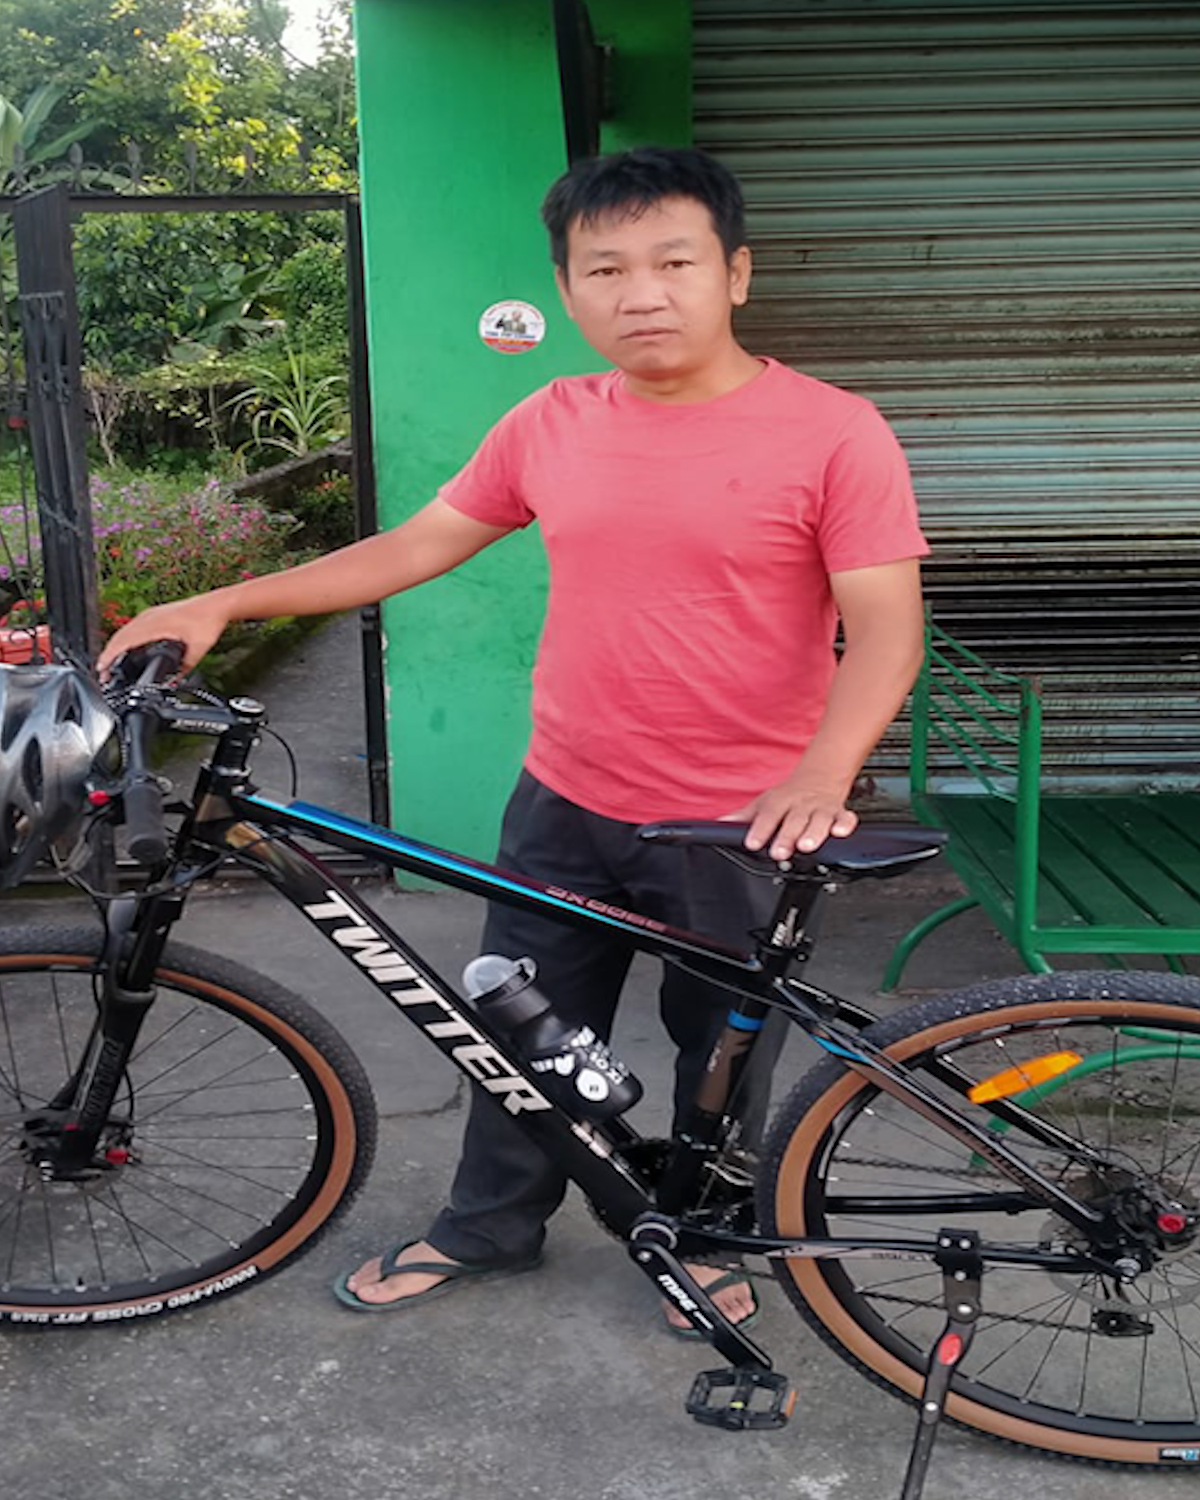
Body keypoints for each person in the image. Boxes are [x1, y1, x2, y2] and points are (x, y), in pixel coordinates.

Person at [99, 146, 928, 1333]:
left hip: (739, 821)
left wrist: (822, 773)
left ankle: (704, 1237)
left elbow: (887, 629)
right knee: (516, 1030)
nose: (642, 294)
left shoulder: (833, 433)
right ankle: (489, 1227)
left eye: (675, 263)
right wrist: (225, 602)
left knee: (720, 1057)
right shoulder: (552, 419)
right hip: (565, 798)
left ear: (735, 274)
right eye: (607, 270)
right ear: (569, 289)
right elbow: (414, 546)